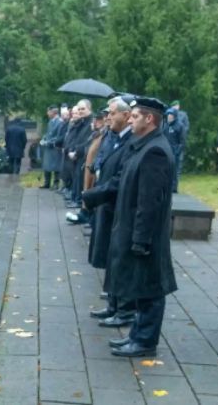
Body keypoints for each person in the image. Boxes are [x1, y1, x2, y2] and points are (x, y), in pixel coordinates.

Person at [83, 96, 177, 357]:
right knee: (140, 285)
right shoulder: (142, 146)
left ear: (149, 119)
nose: (130, 119)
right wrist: (91, 197)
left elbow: (150, 203)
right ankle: (137, 335)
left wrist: (141, 239)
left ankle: (145, 341)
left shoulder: (155, 151)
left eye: (135, 116)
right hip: (132, 228)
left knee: (150, 288)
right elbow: (121, 181)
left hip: (145, 234)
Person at [85, 97, 136, 327]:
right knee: (109, 256)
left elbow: (120, 178)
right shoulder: (112, 137)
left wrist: (93, 195)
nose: (107, 117)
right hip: (106, 205)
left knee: (120, 258)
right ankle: (114, 304)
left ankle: (124, 309)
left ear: (126, 116)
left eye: (112, 113)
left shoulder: (132, 142)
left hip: (118, 206)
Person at [39, 106, 63, 189]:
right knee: (47, 165)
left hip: (55, 147)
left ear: (53, 112)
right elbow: (48, 133)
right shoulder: (50, 122)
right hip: (48, 147)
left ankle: (56, 183)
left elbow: (59, 136)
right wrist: (43, 139)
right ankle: (47, 183)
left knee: (56, 166)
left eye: (48, 112)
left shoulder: (59, 122)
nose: (47, 113)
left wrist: (49, 142)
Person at [163, 108, 185, 193]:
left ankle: (174, 187)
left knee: (174, 170)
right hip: (166, 151)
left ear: (175, 116)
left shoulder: (180, 126)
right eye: (168, 115)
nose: (169, 117)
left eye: (171, 115)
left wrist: (177, 151)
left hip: (175, 152)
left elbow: (182, 141)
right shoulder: (165, 125)